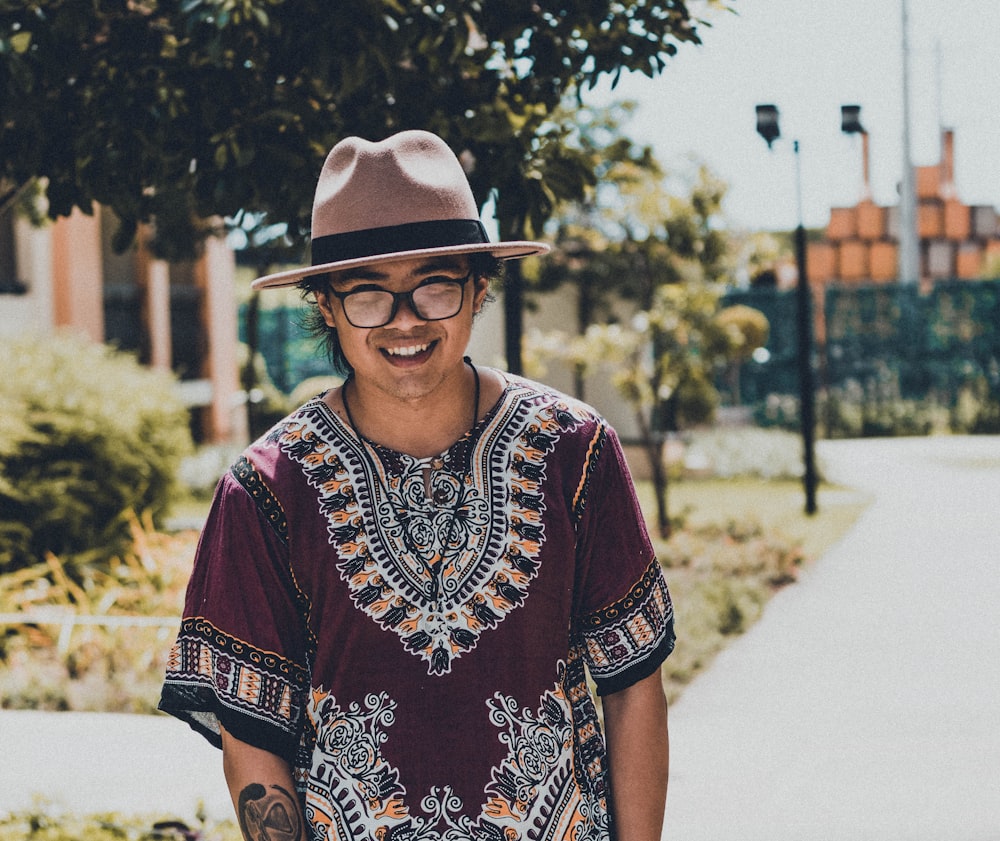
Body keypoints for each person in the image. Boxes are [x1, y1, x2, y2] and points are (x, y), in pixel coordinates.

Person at [159, 129, 675, 841]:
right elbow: (255, 736)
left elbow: (633, 683)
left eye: (434, 284)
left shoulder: (575, 451)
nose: (405, 321)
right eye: (368, 293)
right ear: (327, 306)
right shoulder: (266, 490)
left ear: (478, 288)